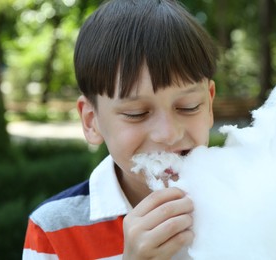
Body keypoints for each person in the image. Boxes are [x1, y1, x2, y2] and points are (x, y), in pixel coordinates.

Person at [22, 0, 217, 259]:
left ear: (210, 104)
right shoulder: (54, 228)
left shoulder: (251, 201)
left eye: (189, 106)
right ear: (92, 121)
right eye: (137, 114)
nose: (168, 133)